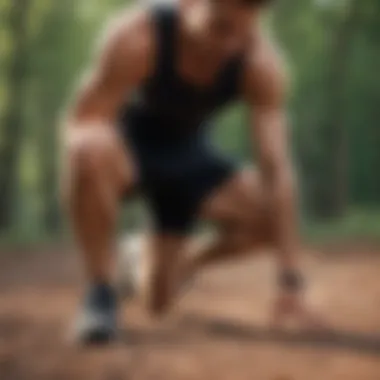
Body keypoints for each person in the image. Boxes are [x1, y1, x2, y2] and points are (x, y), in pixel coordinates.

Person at [62, 0, 322, 344]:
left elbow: (276, 169)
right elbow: (84, 120)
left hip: (189, 160)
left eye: (242, 34)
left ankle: (172, 261)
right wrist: (96, 148)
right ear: (189, 5)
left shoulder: (260, 64)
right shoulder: (138, 37)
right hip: (129, 149)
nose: (229, 45)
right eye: (219, 27)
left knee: (158, 300)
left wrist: (290, 278)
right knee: (88, 149)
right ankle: (100, 293)